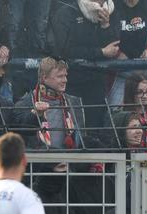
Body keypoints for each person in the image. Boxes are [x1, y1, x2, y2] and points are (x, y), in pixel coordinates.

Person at [50, 0, 121, 128]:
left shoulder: (112, 11)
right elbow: (65, 49)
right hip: (71, 82)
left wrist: (106, 25)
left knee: (95, 128)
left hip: (97, 82)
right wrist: (100, 52)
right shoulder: (67, 11)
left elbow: (114, 46)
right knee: (72, 129)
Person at [12, 57, 86, 149]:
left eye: (65, 75)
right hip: (40, 161)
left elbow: (81, 138)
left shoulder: (74, 102)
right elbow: (17, 130)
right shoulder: (25, 102)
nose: (65, 80)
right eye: (60, 76)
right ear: (45, 78)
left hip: (69, 159)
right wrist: (35, 115)